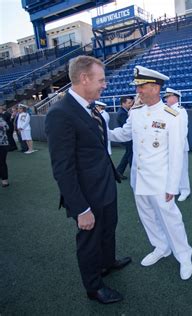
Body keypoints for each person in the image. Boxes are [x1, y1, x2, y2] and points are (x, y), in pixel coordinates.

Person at [45, 55, 131, 304]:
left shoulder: (90, 108)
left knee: (108, 229)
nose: (105, 85)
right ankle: (94, 287)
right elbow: (63, 168)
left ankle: (108, 262)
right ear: (84, 78)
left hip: (105, 186)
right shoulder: (60, 113)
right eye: (101, 80)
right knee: (89, 241)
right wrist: (81, 208)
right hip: (86, 195)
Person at [108, 66, 192, 280]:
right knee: (147, 217)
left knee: (171, 219)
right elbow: (123, 134)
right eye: (137, 86)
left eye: (141, 86)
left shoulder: (171, 116)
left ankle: (184, 255)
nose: (138, 91)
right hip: (139, 179)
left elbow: (176, 155)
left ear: (155, 88)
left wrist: (173, 186)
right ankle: (161, 247)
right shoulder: (135, 113)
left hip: (161, 181)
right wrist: (101, 131)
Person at [164, 87, 191, 202]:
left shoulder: (180, 110)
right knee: (172, 168)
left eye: (168, 97)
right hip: (169, 145)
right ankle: (176, 188)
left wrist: (178, 145)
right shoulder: (167, 110)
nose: (166, 99)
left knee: (182, 168)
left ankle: (185, 190)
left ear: (175, 97)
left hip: (180, 145)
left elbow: (183, 130)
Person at [115, 96, 134, 180]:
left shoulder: (124, 111)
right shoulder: (122, 113)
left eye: (131, 102)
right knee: (130, 156)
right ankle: (134, 173)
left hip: (127, 138)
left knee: (128, 154)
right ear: (123, 103)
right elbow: (126, 127)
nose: (131, 104)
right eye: (129, 103)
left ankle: (119, 171)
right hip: (127, 138)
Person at [0, 115, 9, 187]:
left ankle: (4, 179)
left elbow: (7, 127)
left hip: (2, 145)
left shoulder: (1, 120)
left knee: (2, 162)